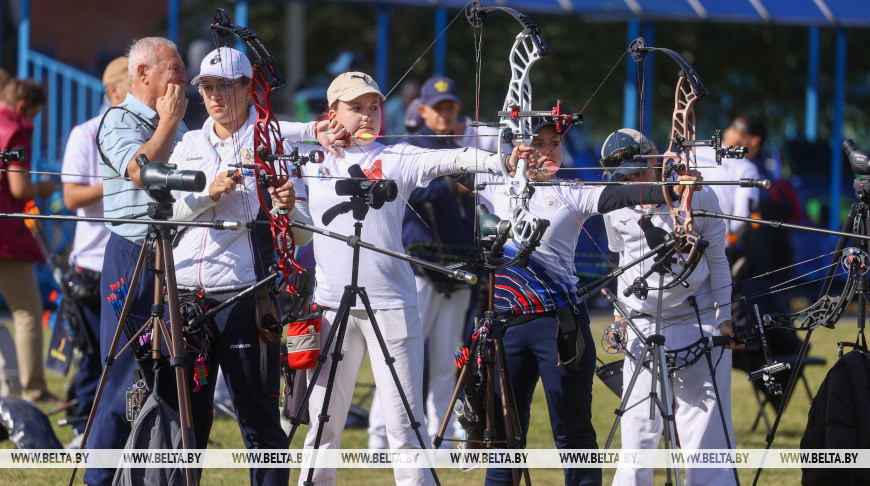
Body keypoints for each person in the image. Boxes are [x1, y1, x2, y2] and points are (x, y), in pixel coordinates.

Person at [269, 71, 531, 486]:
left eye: (373, 107)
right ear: (331, 113)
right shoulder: (309, 157)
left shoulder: (396, 157)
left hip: (391, 304)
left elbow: (451, 158)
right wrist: (298, 173)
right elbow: (258, 131)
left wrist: (503, 159)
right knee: (323, 424)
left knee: (405, 427)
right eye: (356, 108)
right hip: (331, 305)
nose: (369, 115)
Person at [476, 123, 700, 486]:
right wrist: (502, 162)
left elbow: (619, 195)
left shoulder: (571, 191)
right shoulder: (493, 186)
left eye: (555, 143)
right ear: (517, 147)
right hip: (507, 326)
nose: (548, 151)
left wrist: (671, 188)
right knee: (504, 435)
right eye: (537, 144)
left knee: (573, 431)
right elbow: (446, 167)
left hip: (560, 328)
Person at [167, 46, 339, 486]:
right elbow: (167, 216)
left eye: (225, 86)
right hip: (186, 295)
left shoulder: (274, 143)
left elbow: (302, 236)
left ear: (248, 89)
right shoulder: (186, 143)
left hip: (247, 297)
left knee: (260, 423)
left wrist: (287, 208)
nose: (215, 96)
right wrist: (208, 193)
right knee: (185, 423)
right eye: (207, 87)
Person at [601, 128, 737, 486]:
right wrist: (620, 316)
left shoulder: (698, 197)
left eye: (638, 172)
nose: (632, 182)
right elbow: (623, 260)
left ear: (656, 159)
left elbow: (719, 259)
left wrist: (724, 315)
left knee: (703, 431)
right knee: (638, 428)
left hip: (699, 317)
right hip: (643, 322)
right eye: (623, 177)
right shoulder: (616, 204)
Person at [86, 36, 188, 486]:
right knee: (124, 376)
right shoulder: (117, 119)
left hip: (179, 255)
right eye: (174, 69)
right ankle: (99, 478)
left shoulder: (181, 125)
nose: (182, 80)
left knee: (179, 373)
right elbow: (141, 169)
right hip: (133, 255)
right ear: (144, 74)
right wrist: (167, 123)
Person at [368, 75, 476, 449]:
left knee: (447, 360)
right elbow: (410, 189)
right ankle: (380, 437)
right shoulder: (409, 149)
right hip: (419, 266)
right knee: (400, 358)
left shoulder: (461, 147)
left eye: (451, 107)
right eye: (439, 107)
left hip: (458, 267)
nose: (446, 114)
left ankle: (442, 434)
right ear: (423, 110)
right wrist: (452, 184)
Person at [61, 56, 130, 449]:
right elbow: (72, 196)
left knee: (129, 355)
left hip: (136, 260)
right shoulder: (86, 134)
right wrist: (125, 179)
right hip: (92, 265)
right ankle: (83, 429)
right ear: (114, 91)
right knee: (95, 357)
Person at [0, 78, 55, 404]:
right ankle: (34, 389)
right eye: (33, 115)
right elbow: (19, 189)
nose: (32, 123)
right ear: (23, 107)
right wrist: (43, 189)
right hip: (6, 236)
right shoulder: (14, 130)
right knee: (27, 312)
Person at [698, 115, 764, 256]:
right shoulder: (747, 168)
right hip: (714, 247)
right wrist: (731, 240)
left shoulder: (693, 150)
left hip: (677, 239)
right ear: (755, 141)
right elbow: (741, 218)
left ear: (728, 131)